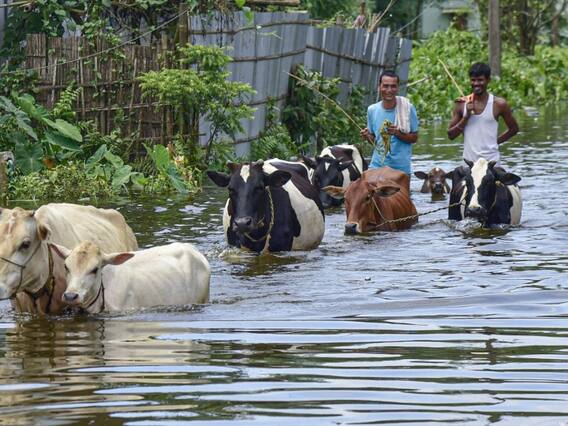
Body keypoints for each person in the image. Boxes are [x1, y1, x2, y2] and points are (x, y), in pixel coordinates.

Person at [447, 62, 519, 166]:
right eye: (473, 80)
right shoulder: (461, 104)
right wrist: (466, 117)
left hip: (492, 163)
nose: (476, 84)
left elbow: (514, 129)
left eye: (480, 80)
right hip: (469, 163)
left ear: (488, 80)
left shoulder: (499, 104)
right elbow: (451, 135)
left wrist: (495, 143)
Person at [360, 70, 419, 177]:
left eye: (393, 86)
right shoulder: (372, 110)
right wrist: (367, 136)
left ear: (397, 88)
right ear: (379, 87)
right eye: (385, 86)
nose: (389, 90)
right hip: (377, 166)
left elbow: (414, 138)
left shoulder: (407, 108)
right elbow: (375, 141)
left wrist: (398, 133)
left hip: (400, 170)